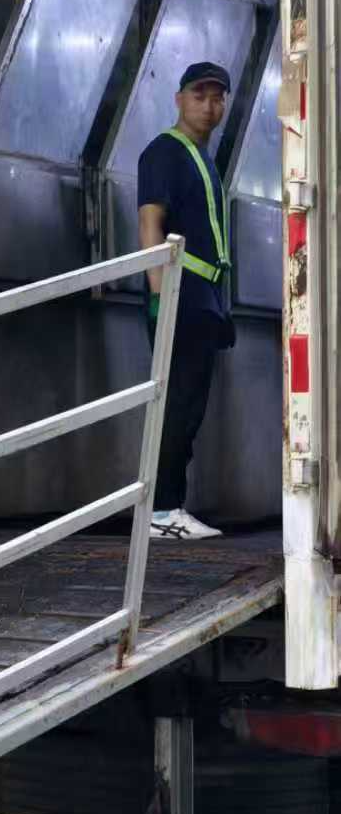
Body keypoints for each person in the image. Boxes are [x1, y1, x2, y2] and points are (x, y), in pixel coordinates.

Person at [137, 61, 236, 541]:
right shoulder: (165, 153)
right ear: (179, 98)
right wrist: (160, 297)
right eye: (200, 94)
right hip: (180, 295)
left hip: (203, 298)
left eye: (218, 97)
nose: (210, 105)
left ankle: (168, 508)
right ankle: (162, 512)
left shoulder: (202, 160)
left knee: (189, 405)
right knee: (178, 405)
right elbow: (151, 225)